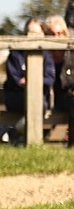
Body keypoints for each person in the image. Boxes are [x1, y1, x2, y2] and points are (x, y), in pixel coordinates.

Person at [2, 18, 55, 142]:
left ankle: (17, 131)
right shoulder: (15, 54)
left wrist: (32, 82)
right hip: (17, 97)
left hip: (40, 98)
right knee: (36, 103)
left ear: (43, 34)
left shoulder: (46, 55)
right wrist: (29, 83)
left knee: (39, 103)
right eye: (29, 32)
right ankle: (23, 136)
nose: (32, 36)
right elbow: (15, 79)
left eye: (36, 33)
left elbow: (49, 79)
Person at [43, 15, 73, 147]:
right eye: (52, 34)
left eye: (60, 33)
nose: (56, 38)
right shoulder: (41, 55)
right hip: (48, 99)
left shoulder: (71, 54)